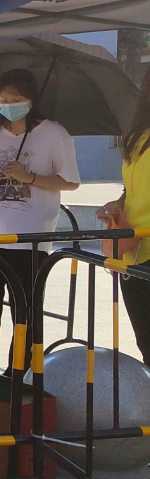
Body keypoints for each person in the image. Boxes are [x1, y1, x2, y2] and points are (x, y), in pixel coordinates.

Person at [0, 68, 79, 374]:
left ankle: (19, 373)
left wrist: (29, 177)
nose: (9, 105)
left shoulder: (54, 133)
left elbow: (71, 182)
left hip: (30, 239)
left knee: (26, 313)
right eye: (3, 99)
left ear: (31, 100)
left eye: (16, 99)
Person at [100, 69, 150, 365]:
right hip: (133, 252)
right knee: (146, 342)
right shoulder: (138, 136)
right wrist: (116, 205)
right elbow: (133, 188)